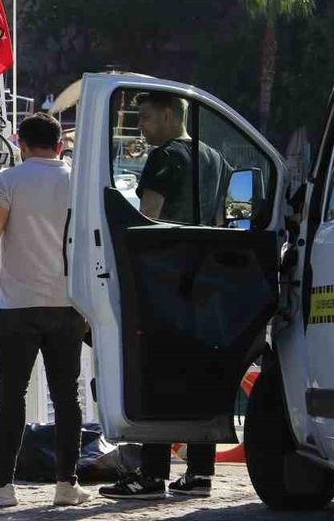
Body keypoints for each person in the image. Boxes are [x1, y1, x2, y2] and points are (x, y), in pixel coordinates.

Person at [99, 91, 230, 500]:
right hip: (204, 281)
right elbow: (220, 220)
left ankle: (151, 474)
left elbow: (147, 220)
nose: (141, 127)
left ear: (171, 115)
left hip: (164, 280)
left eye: (146, 117)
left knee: (155, 376)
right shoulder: (215, 158)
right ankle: (199, 474)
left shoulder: (165, 157)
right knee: (200, 376)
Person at [0, 113, 90, 509]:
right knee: (67, 398)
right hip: (68, 304)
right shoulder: (78, 182)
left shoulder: (8, 180)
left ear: (20, 143)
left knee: (11, 396)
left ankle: (1, 486)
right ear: (59, 145)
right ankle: (67, 484)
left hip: (18, 306)